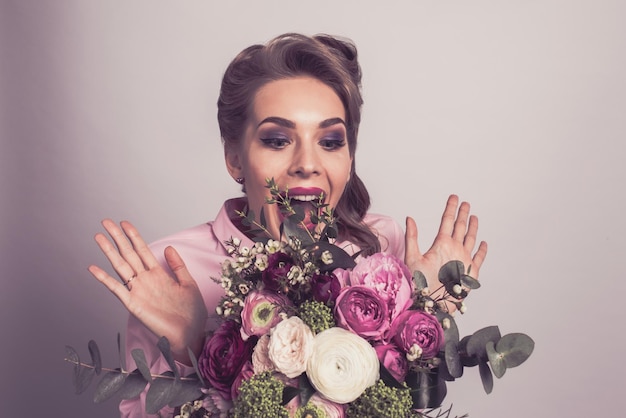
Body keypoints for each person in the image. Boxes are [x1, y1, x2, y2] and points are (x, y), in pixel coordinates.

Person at [88, 33, 488, 418]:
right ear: (234, 158)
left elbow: (407, 405)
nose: (307, 163)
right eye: (278, 140)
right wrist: (190, 348)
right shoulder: (169, 268)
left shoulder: (385, 249)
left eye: (330, 141)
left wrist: (426, 311)